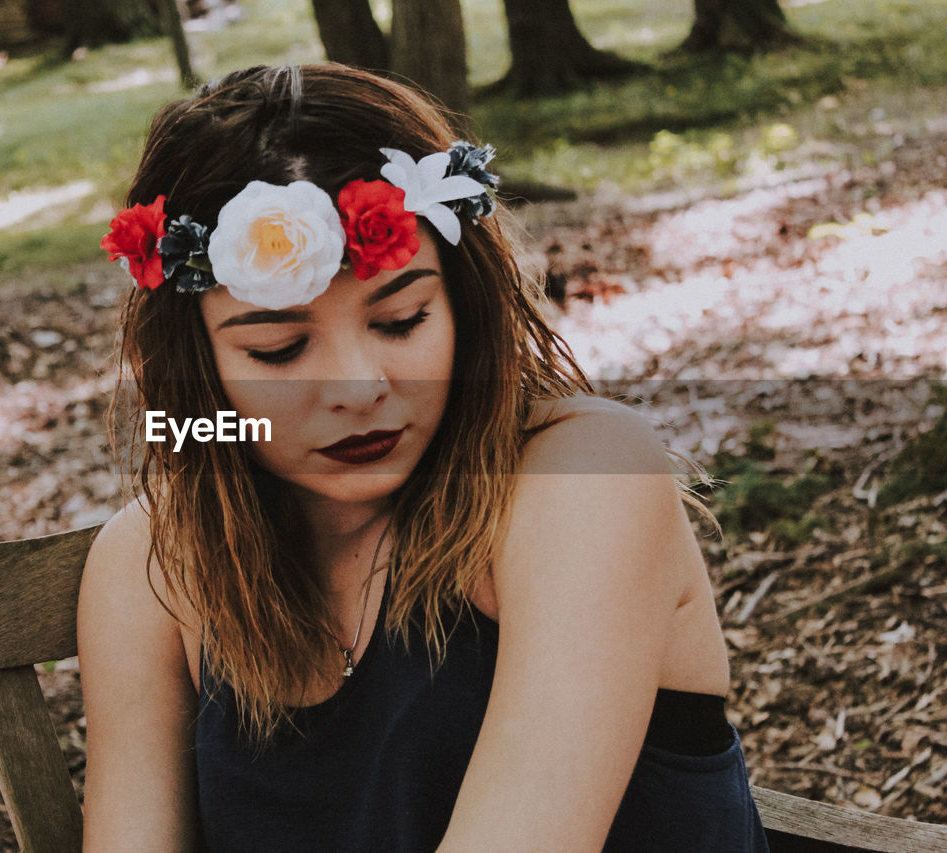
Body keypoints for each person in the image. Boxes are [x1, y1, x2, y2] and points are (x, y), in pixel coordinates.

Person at [77, 63, 770, 852]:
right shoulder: (153, 565)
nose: (359, 387)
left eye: (402, 320)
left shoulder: (580, 478)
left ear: (461, 305)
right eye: (280, 348)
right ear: (196, 364)